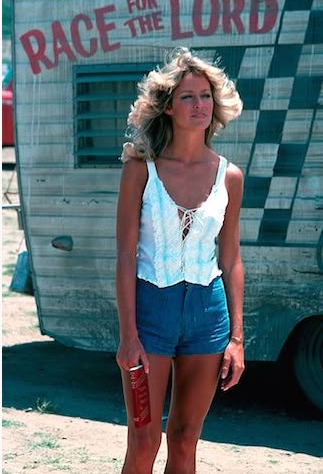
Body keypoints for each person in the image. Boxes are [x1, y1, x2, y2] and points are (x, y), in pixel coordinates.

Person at [116, 47, 245, 474]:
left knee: (187, 440)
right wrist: (128, 336)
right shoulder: (141, 169)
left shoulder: (230, 175)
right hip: (151, 312)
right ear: (168, 107)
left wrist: (237, 339)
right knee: (143, 442)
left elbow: (231, 258)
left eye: (206, 96)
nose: (200, 105)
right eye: (188, 97)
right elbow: (124, 256)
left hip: (209, 315)